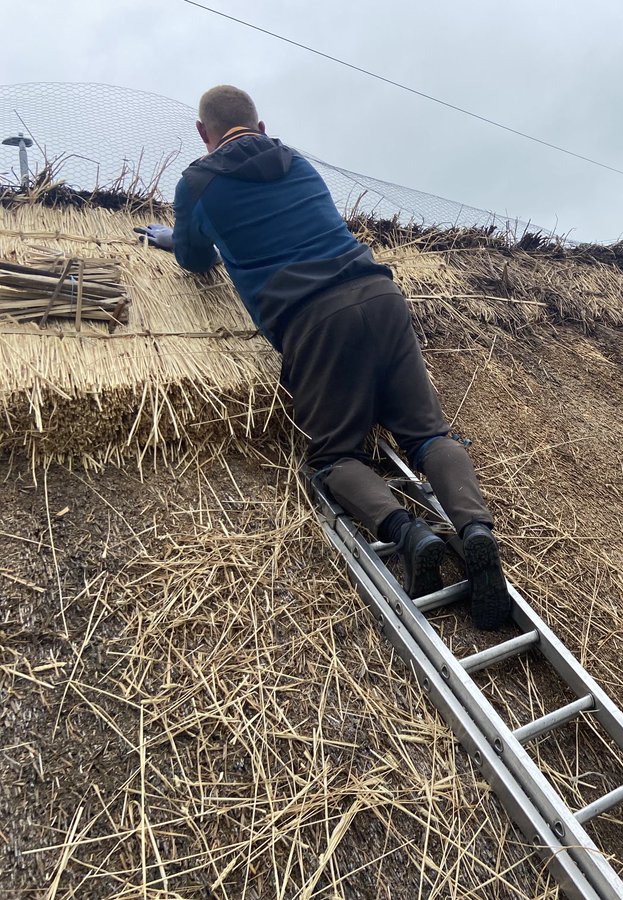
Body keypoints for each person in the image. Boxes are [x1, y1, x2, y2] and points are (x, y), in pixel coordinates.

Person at [135, 85, 510, 630]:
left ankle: (412, 535)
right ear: (261, 127)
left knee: (334, 455)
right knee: (429, 435)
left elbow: (194, 259)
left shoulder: (199, 181)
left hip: (313, 320)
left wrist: (178, 239)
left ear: (203, 136)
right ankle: (475, 532)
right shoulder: (299, 164)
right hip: (380, 295)